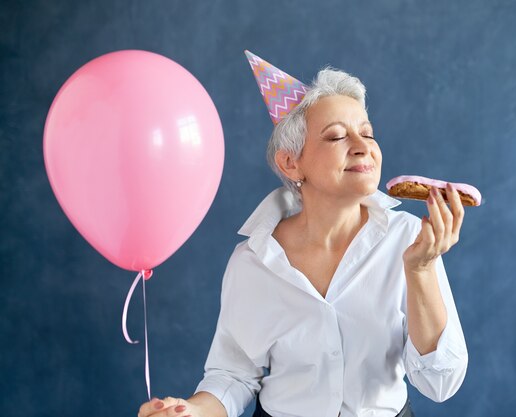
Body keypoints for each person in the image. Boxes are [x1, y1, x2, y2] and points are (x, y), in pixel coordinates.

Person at [138, 51, 468, 417]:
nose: (363, 146)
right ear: (291, 163)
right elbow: (233, 374)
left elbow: (440, 383)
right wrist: (192, 412)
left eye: (368, 132)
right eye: (337, 136)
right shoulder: (253, 262)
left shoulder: (410, 239)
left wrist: (420, 271)